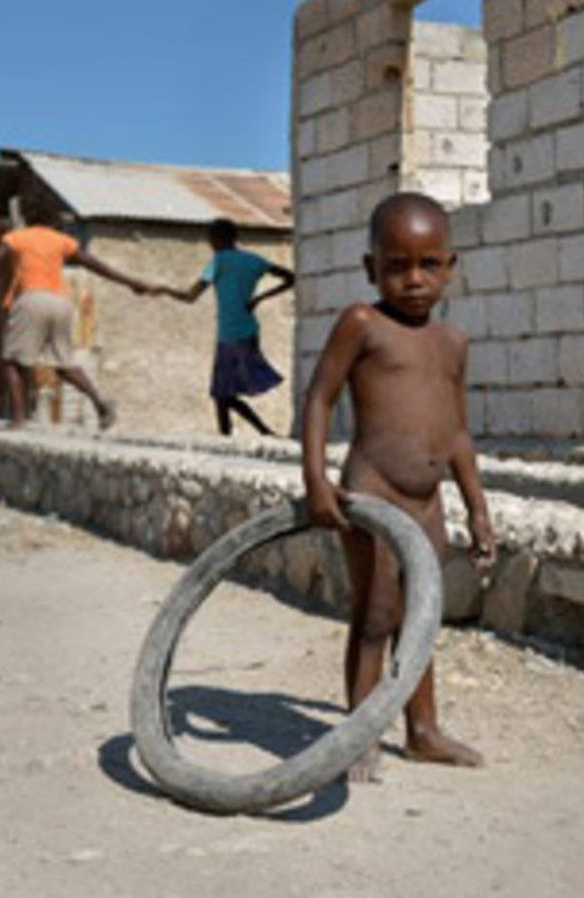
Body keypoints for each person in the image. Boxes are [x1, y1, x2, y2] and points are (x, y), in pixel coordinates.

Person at [300, 192, 495, 782]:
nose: (413, 280)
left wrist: (478, 511)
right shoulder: (362, 324)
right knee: (377, 614)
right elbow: (319, 398)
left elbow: (458, 434)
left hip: (427, 500)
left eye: (428, 264)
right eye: (396, 266)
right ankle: (360, 733)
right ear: (370, 269)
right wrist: (316, 480)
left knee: (422, 616)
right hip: (374, 493)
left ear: (449, 267)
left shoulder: (453, 343)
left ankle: (423, 731)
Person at [0, 204, 149, 430]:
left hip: (31, 300)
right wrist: (131, 282)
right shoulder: (61, 240)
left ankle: (18, 419)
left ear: (28, 220)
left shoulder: (18, 237)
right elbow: (94, 264)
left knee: (12, 362)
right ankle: (100, 404)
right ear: (52, 223)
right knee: (63, 364)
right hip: (60, 304)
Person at [148, 218, 295, 437]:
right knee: (223, 393)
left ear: (217, 239)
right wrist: (260, 298)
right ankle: (231, 436)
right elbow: (290, 278)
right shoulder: (253, 260)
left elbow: (191, 296)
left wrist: (164, 290)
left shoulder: (218, 261)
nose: (211, 244)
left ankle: (261, 432)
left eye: (211, 240)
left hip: (230, 335)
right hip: (247, 331)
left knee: (222, 393)